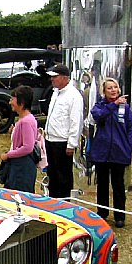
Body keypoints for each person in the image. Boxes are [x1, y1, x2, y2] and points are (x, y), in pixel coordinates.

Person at [89, 78, 132, 228]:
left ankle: (119, 216)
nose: (113, 90)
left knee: (118, 185)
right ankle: (102, 213)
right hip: (102, 152)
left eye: (115, 87)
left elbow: (130, 128)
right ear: (104, 91)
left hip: (119, 152)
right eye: (109, 88)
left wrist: (129, 147)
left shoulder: (125, 108)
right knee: (102, 184)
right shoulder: (99, 106)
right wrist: (112, 106)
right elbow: (98, 116)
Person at [43, 64, 83, 199]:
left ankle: (64, 201)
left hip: (62, 141)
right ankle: (53, 199)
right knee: (52, 173)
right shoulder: (55, 93)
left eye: (55, 77)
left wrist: (71, 144)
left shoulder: (74, 96)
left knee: (63, 175)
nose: (52, 79)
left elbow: (75, 121)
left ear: (64, 78)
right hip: (50, 139)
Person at [0, 86, 38, 192]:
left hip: (22, 168)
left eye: (13, 99)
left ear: (22, 102)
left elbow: (27, 147)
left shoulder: (26, 121)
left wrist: (8, 155)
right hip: (18, 166)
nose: (10, 102)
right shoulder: (23, 120)